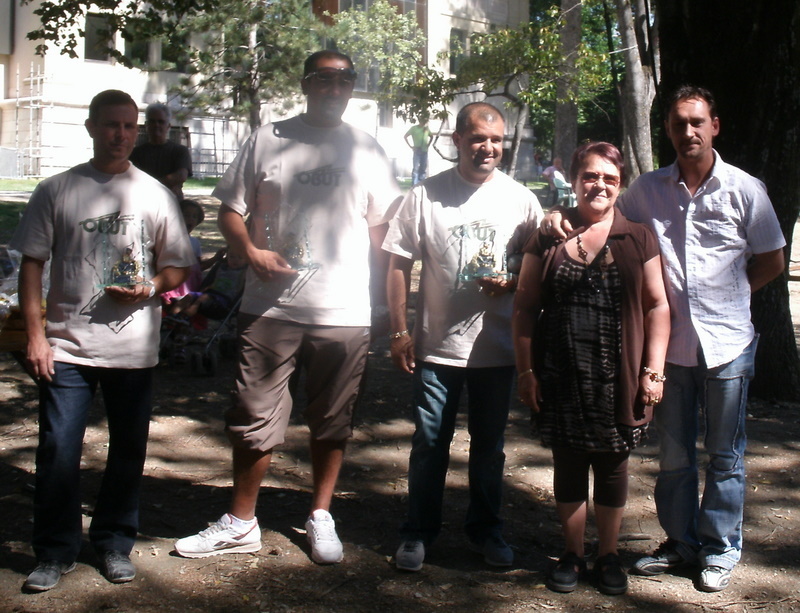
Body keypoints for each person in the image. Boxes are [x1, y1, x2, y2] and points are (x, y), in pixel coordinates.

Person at [544, 86, 786, 592]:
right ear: (669, 130)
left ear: (714, 125)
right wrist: (560, 217)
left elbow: (772, 260)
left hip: (728, 345)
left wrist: (734, 291)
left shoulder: (745, 190)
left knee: (725, 454)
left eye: (697, 122)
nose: (688, 132)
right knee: (674, 457)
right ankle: (681, 542)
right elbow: (604, 210)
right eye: (678, 124)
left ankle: (719, 548)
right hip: (671, 349)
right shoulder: (647, 190)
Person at [174, 50, 403, 564]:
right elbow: (231, 209)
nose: (335, 86)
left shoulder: (366, 148)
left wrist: (387, 304)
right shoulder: (268, 138)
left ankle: (320, 514)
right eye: (324, 78)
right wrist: (249, 251)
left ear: (352, 87)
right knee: (253, 415)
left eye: (345, 78)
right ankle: (240, 520)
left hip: (342, 311)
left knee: (332, 419)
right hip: (269, 308)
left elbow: (382, 234)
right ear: (306, 84)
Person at [10, 89, 195, 592]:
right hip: (67, 345)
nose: (121, 135)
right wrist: (35, 336)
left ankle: (113, 542)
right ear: (91, 128)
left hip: (133, 350)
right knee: (58, 451)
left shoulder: (154, 193)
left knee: (127, 451)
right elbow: (32, 263)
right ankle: (54, 550)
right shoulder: (57, 190)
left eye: (129, 126)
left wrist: (152, 286)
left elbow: (177, 263)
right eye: (111, 125)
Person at [384, 102, 544, 572]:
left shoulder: (521, 199)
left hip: (497, 350)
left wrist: (514, 283)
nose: (487, 148)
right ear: (457, 141)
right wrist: (398, 330)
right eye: (477, 139)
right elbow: (396, 262)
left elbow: (537, 271)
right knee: (430, 442)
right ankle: (418, 532)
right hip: (438, 349)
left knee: (489, 446)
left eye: (496, 140)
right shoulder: (425, 196)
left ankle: (487, 531)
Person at [512, 142, 670, 595]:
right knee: (568, 462)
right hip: (560, 373)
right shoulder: (548, 235)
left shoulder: (637, 236)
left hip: (617, 375)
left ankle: (608, 555)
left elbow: (658, 305)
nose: (599, 184)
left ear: (620, 186)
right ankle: (573, 553)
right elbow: (524, 309)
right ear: (575, 179)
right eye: (590, 175)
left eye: (609, 178)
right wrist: (526, 371)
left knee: (613, 465)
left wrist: (652, 371)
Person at [129, 102, 193, 199]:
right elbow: (132, 179)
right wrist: (166, 183)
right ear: (146, 125)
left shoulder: (180, 151)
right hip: (143, 202)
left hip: (172, 203)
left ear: (168, 126)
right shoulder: (135, 153)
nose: (156, 125)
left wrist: (147, 186)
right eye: (152, 121)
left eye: (161, 121)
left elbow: (181, 176)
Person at [169, 249, 247, 320]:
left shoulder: (244, 272)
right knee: (189, 296)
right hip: (210, 294)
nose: (235, 260)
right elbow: (213, 283)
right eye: (231, 256)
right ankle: (172, 316)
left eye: (240, 258)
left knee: (204, 297)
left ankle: (187, 316)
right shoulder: (220, 267)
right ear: (227, 257)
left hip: (224, 300)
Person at [404, 120, 434, 185]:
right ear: (420, 121)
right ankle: (414, 185)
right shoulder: (414, 128)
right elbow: (405, 136)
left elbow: (431, 136)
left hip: (424, 151)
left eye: (425, 122)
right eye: (423, 121)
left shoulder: (426, 129)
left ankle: (421, 184)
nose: (424, 123)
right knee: (415, 168)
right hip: (417, 150)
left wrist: (428, 145)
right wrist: (411, 147)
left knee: (423, 168)